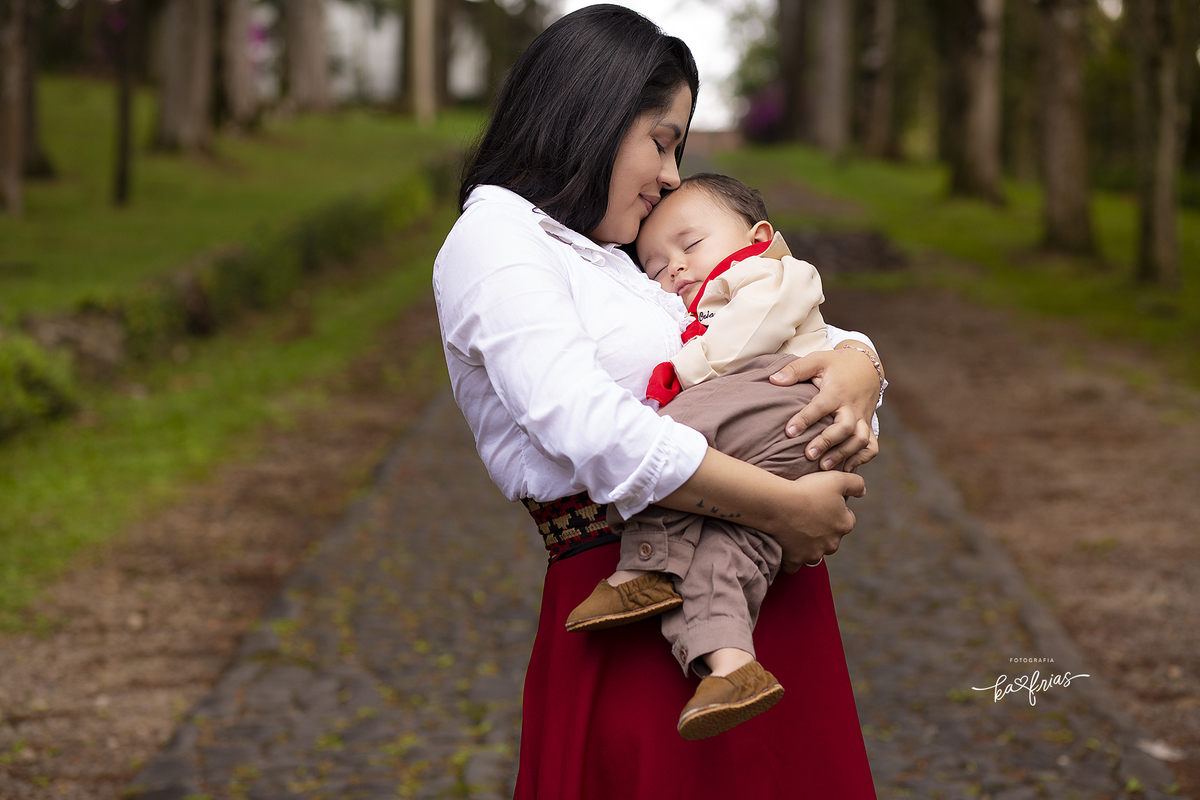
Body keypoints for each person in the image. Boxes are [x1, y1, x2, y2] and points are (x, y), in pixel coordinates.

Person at [434, 5, 881, 798]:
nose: (673, 176)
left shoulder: (612, 256)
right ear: (593, 113)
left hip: (768, 590)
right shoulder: (495, 242)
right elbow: (592, 430)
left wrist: (857, 361)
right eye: (663, 141)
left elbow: (751, 325)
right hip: (632, 602)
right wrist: (782, 508)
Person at [564, 173, 885, 742]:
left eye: (690, 246)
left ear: (758, 235)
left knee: (667, 432)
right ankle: (731, 666)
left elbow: (747, 336)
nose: (677, 270)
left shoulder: (767, 273)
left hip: (780, 398)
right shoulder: (691, 309)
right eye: (657, 267)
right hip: (781, 456)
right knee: (728, 553)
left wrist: (679, 375)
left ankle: (646, 563)